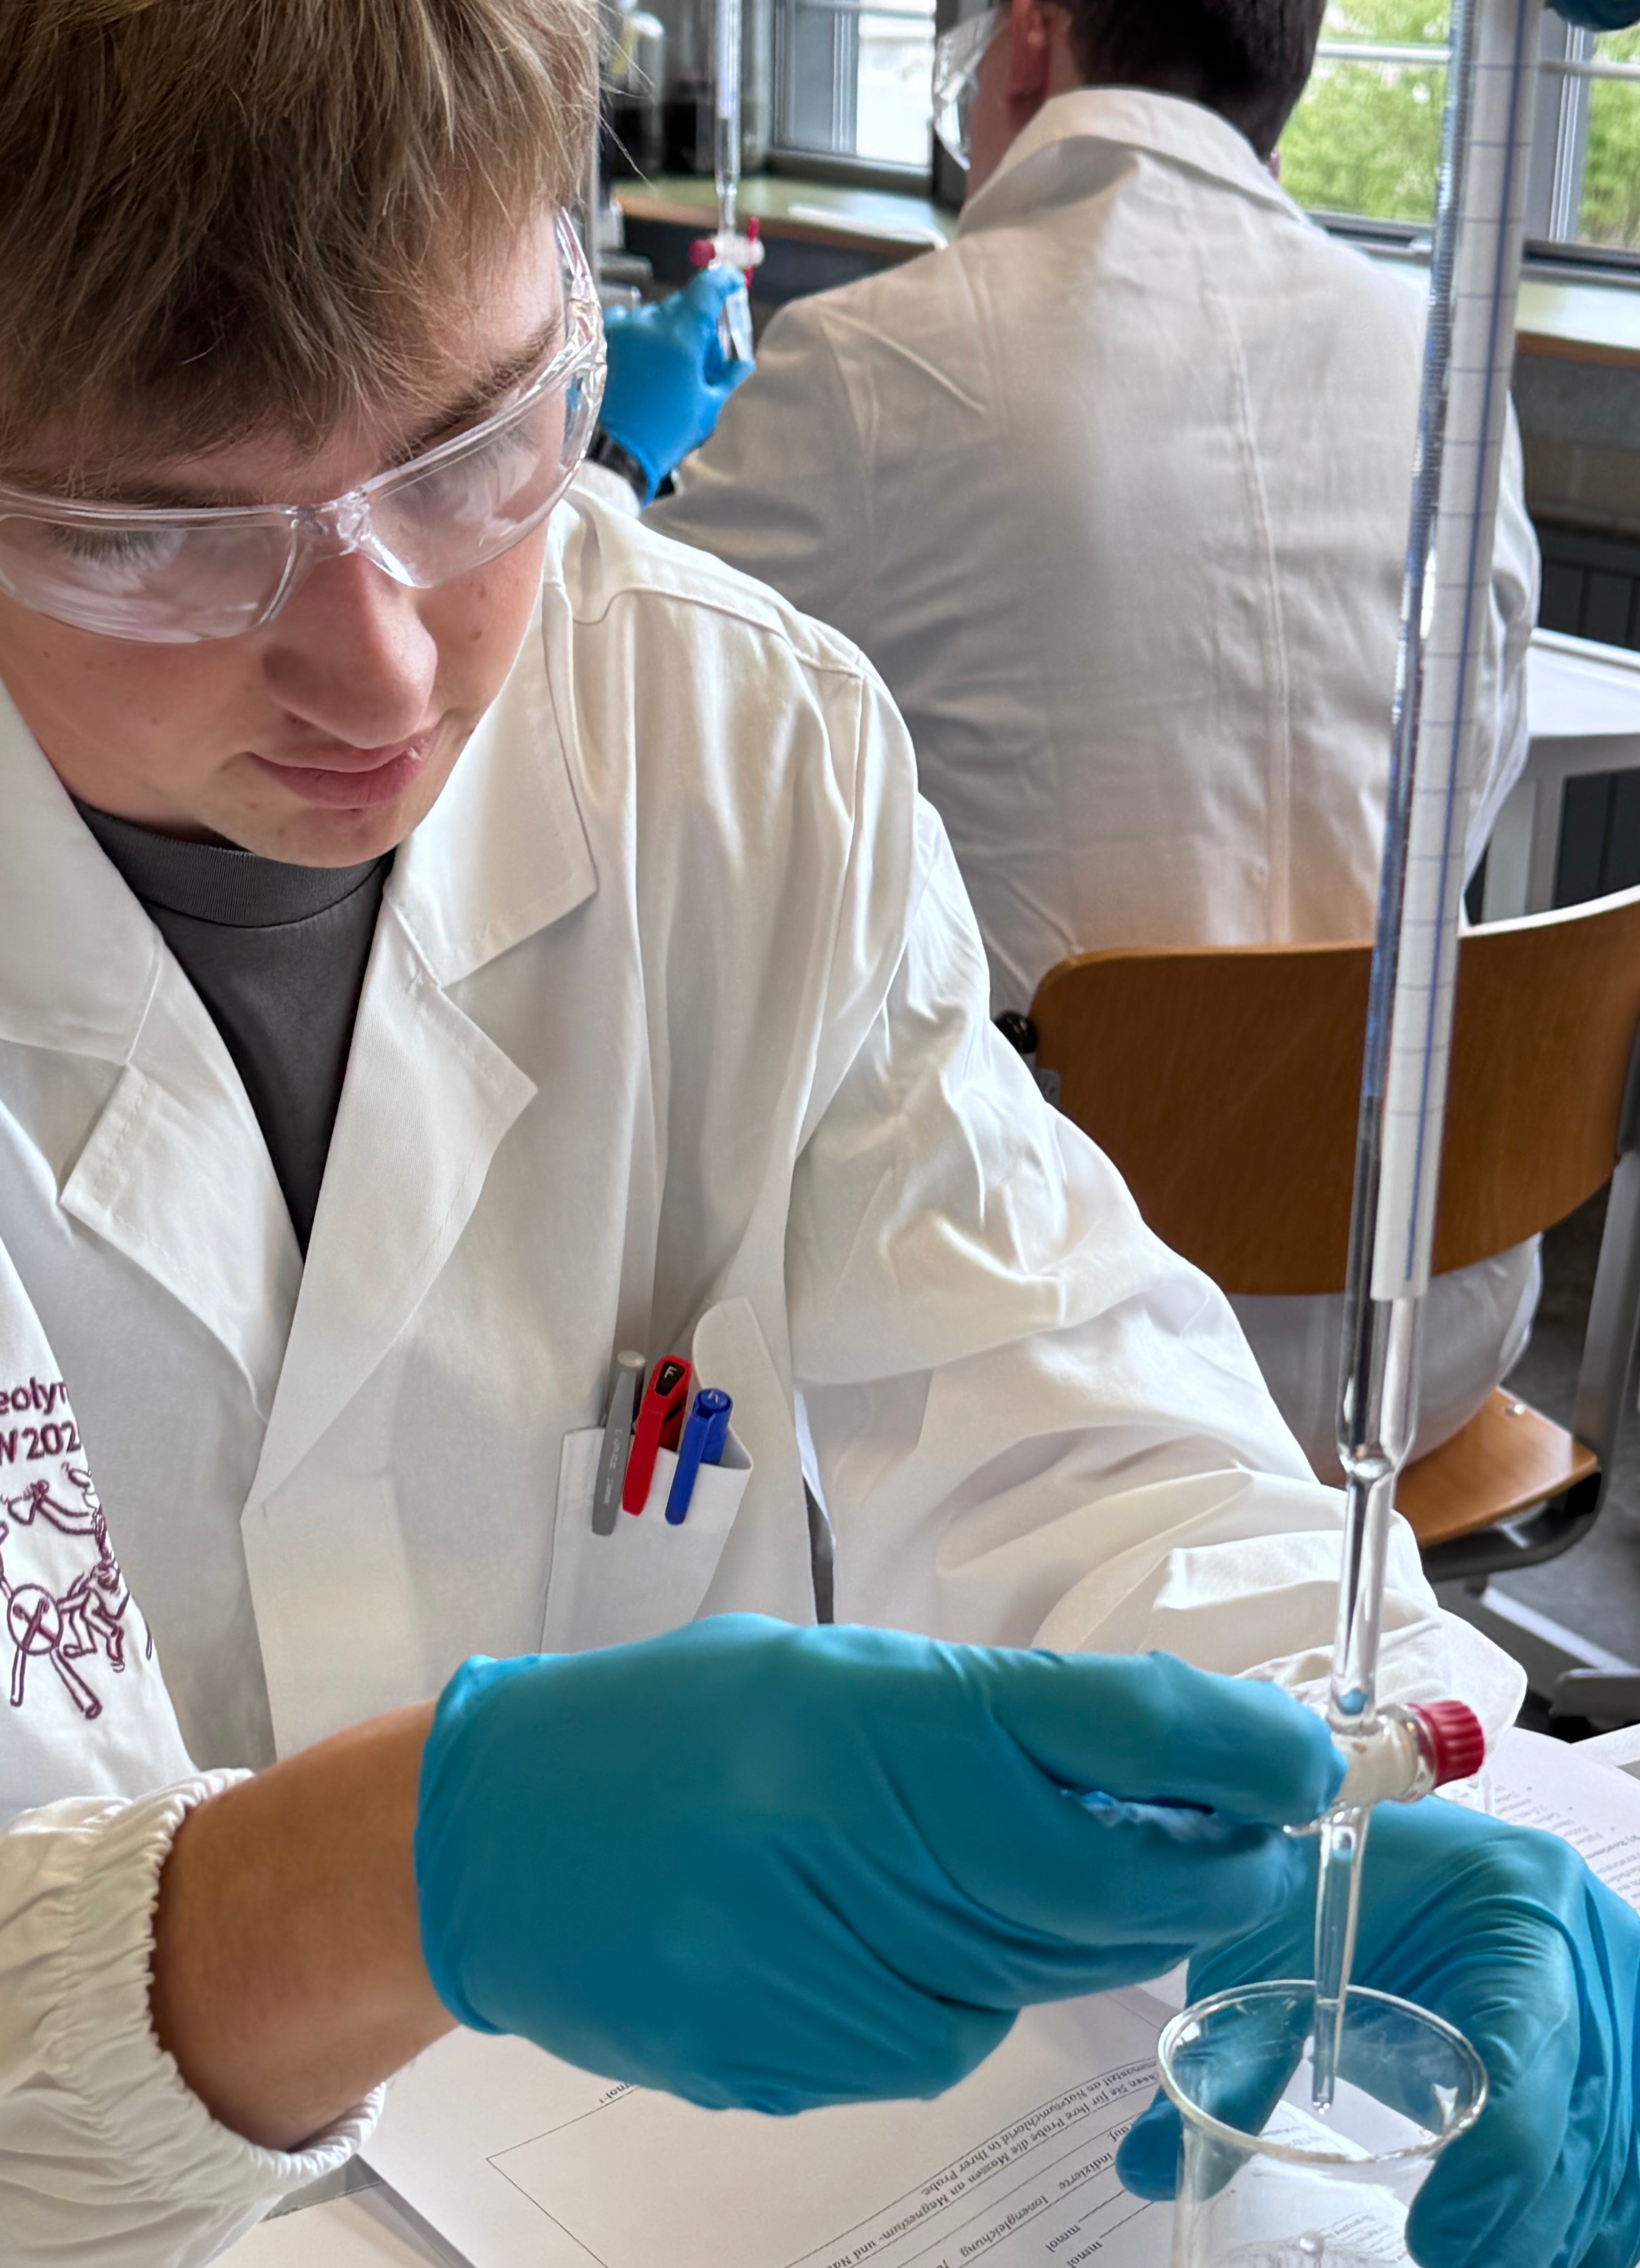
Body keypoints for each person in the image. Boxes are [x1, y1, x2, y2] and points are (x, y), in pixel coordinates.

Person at [0, 0, 1640, 2268]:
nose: (379, 664)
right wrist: (369, 1891)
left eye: (481, 443)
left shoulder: (725, 735)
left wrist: (1356, 1793)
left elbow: (1051, 1397)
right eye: (158, 536)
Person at [599, 0, 1545, 1465]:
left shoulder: (873, 359)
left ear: (1028, 40)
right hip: (1421, 1322)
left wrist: (609, 453)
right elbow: (1468, 782)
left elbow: (606, 669)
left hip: (1066, 1331)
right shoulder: (1439, 365)